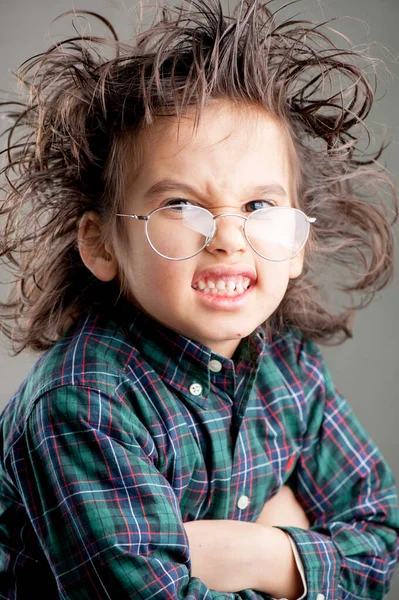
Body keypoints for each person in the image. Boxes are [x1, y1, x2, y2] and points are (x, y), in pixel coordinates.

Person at [0, 1, 398, 598]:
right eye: (181, 207)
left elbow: (382, 536)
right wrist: (306, 546)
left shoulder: (292, 371)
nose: (229, 239)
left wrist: (269, 556)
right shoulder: (83, 404)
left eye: (259, 207)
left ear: (296, 243)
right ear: (102, 243)